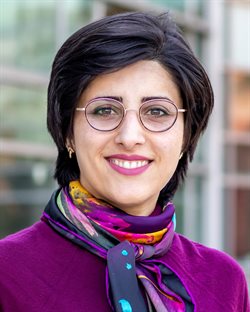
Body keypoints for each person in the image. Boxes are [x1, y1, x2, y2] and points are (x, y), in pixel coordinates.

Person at [0, 11, 249, 312]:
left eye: (157, 112)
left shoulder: (223, 279)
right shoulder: (8, 274)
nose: (130, 137)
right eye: (105, 111)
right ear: (68, 133)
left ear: (186, 137)